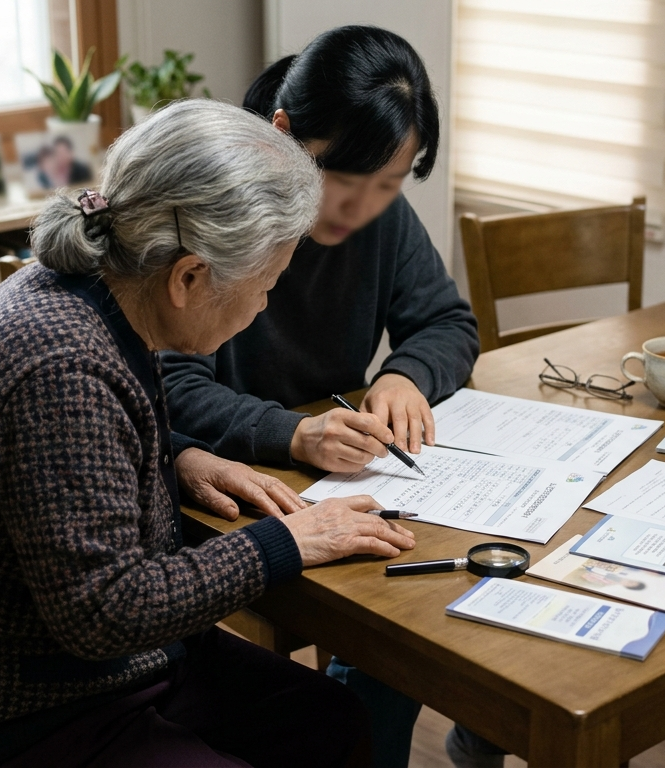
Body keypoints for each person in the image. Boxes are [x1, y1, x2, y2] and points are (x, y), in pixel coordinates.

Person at [0, 99, 417, 768]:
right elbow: (106, 612)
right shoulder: (61, 365)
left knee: (332, 722)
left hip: (76, 668)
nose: (265, 301)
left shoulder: (99, 290)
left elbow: (68, 464)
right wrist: (285, 543)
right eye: (266, 284)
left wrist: (180, 458)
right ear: (189, 277)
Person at [160, 25, 488, 768]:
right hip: (233, 488)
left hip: (348, 468)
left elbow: (445, 321)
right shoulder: (221, 214)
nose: (359, 206)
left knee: (421, 590)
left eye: (389, 184)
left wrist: (405, 374)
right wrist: (291, 434)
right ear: (284, 134)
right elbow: (168, 385)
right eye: (344, 177)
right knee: (392, 628)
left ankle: (452, 729)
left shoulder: (379, 215)